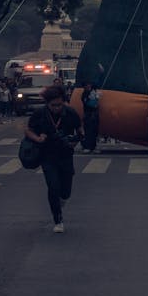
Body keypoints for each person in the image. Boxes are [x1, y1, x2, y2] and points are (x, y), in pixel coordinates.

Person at [25, 85, 84, 232]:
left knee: (65, 191)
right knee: (53, 186)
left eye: (59, 104)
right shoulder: (40, 113)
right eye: (53, 105)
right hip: (47, 155)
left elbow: (80, 129)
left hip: (65, 154)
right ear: (47, 103)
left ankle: (61, 200)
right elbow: (28, 130)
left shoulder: (70, 112)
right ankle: (57, 219)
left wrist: (75, 141)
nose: (56, 108)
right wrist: (38, 139)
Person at [81, 81, 100, 153]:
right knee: (88, 131)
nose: (88, 86)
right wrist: (93, 102)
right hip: (88, 114)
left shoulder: (94, 92)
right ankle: (87, 146)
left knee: (94, 131)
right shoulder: (84, 94)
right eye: (86, 85)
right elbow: (88, 103)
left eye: (89, 84)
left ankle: (93, 146)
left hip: (94, 114)